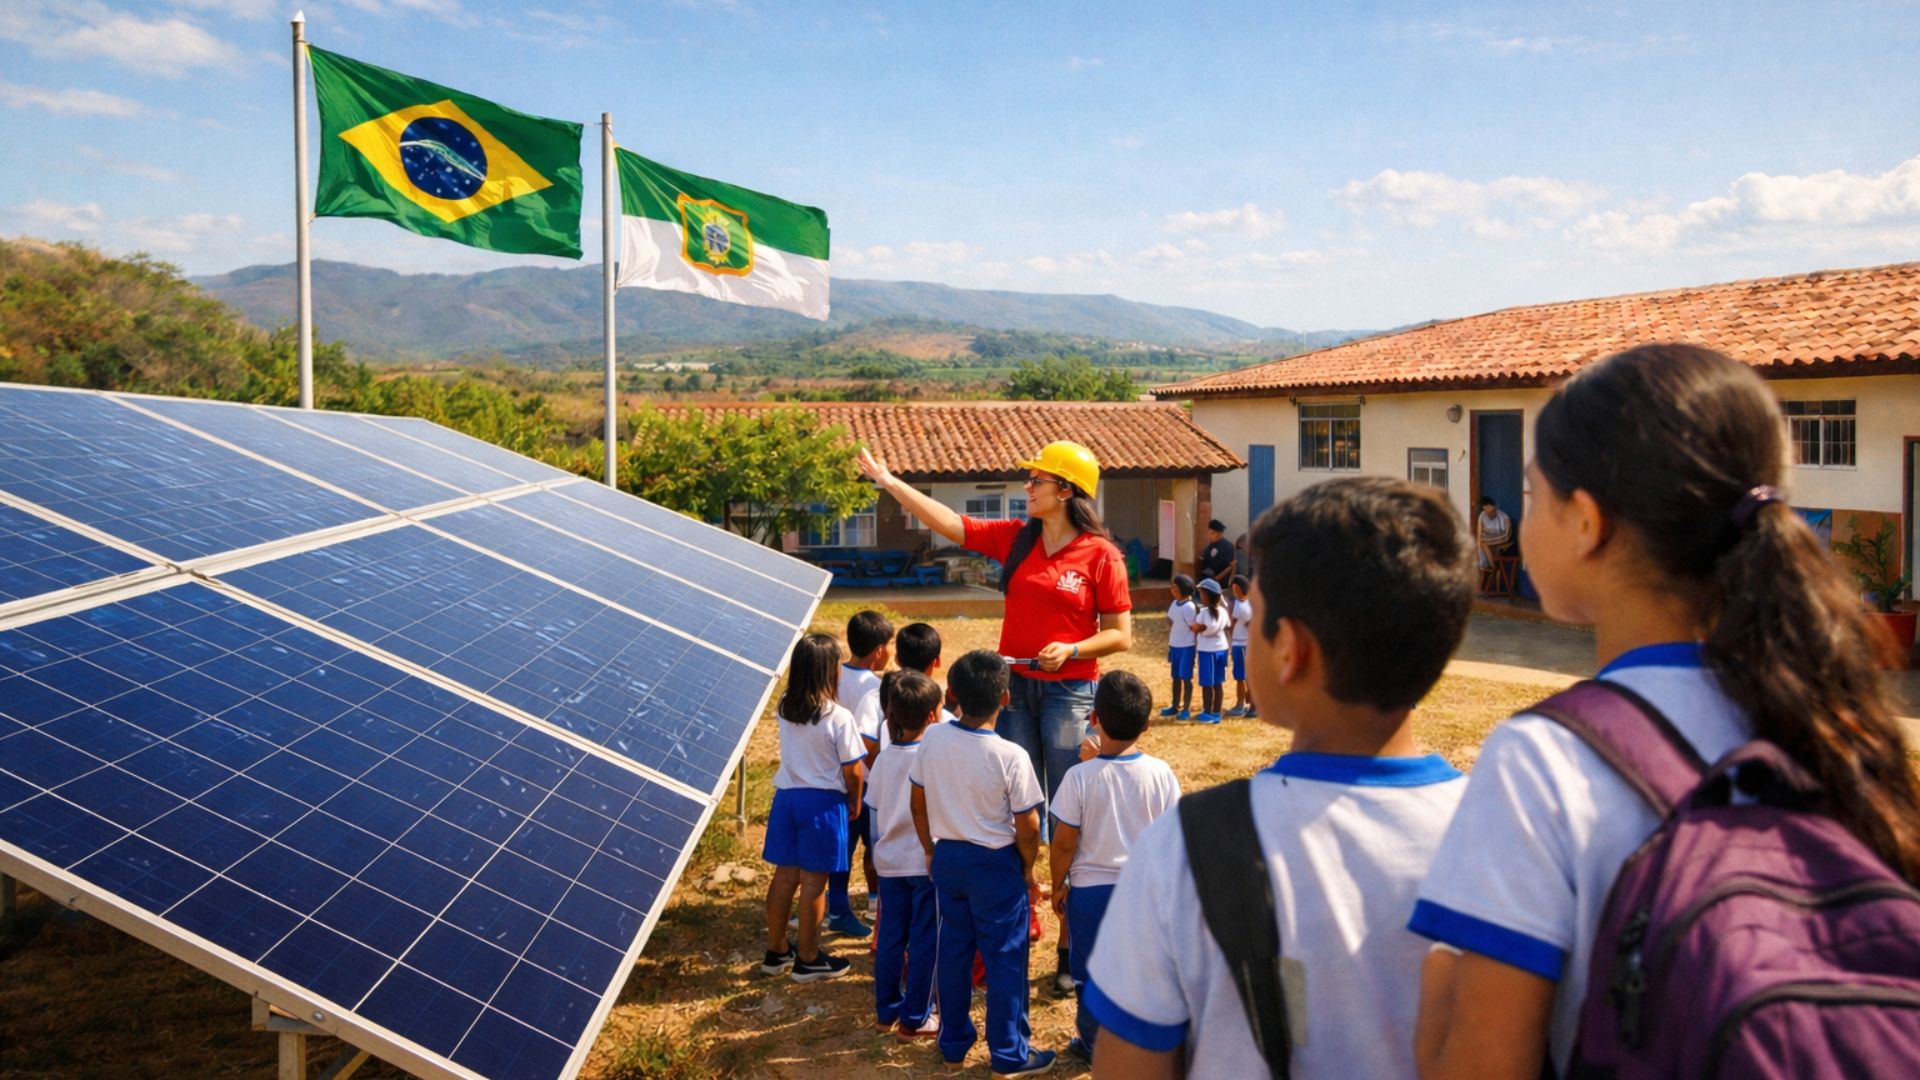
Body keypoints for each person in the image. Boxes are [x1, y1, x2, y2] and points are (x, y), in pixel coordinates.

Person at [1411, 344, 1920, 1079]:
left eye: (1531, 492)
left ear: (1586, 522)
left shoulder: (1548, 760)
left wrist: (1435, 973)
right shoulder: (1834, 723)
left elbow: (1476, 1065)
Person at [1086, 476, 1477, 1078]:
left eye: (1258, 614)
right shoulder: (1496, 834)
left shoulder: (1186, 847)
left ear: (1289, 650)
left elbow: (1129, 1064)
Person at [860, 437, 1133, 993]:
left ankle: (1068, 943)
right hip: (1016, 689)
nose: (1027, 487)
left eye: (1037, 481)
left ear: (1066, 490)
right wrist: (892, 484)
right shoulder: (1017, 539)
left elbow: (1122, 635)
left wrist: (1073, 650)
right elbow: (951, 523)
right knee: (1014, 812)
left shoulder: (1101, 555)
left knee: (1065, 814)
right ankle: (1015, 918)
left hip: (1069, 693)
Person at [910, 650, 1055, 1078]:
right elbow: (1028, 825)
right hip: (995, 863)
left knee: (954, 951)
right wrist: (1028, 868)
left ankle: (953, 1043)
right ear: (1007, 698)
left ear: (951, 694)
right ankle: (1009, 1054)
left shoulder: (933, 738)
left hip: (949, 855)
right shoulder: (1011, 756)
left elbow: (917, 803)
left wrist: (931, 850)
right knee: (1006, 958)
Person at [1050, 670, 1181, 1065]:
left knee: (1090, 979)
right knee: (1143, 973)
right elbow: (1172, 837)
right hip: (1145, 892)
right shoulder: (1161, 773)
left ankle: (1092, 1046)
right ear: (1147, 723)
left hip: (1090, 895)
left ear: (1094, 718)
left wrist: (1059, 884)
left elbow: (1063, 841)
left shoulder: (1078, 777)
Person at [760, 633, 866, 984]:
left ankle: (776, 950)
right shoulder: (838, 717)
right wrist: (855, 799)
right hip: (822, 803)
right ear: (830, 671)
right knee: (814, 884)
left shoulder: (784, 707)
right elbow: (852, 769)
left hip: (787, 797)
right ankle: (809, 959)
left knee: (785, 876)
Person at [867, 670, 945, 1040]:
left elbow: (876, 808)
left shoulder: (883, 759)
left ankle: (886, 1012)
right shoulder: (934, 758)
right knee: (925, 938)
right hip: (924, 862)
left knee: (891, 938)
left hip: (889, 863)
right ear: (933, 715)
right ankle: (916, 1017)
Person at [830, 609, 893, 938]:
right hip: (863, 783)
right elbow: (869, 742)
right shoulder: (875, 688)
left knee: (841, 847)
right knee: (873, 847)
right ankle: (870, 902)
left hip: (831, 776)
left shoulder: (833, 676)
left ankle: (836, 903)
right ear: (880, 650)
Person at [854, 622, 953, 754]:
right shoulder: (944, 714)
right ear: (937, 662)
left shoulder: (873, 698)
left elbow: (864, 750)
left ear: (897, 658)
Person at [1190, 578, 1230, 725]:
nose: (1200, 596)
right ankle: (1216, 712)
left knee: (1207, 683)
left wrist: (1194, 627)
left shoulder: (1204, 613)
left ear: (1207, 596)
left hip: (1207, 651)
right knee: (1218, 683)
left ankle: (1207, 712)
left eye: (1201, 593)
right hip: (1222, 649)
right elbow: (1227, 625)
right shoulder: (1223, 612)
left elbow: (1198, 628)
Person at [1159, 575, 1199, 721]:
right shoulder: (1175, 604)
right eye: (1172, 587)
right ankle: (1175, 705)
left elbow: (1193, 626)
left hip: (1187, 646)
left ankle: (1186, 708)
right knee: (1175, 677)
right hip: (1174, 645)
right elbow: (1171, 620)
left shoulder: (1189, 607)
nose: (1173, 590)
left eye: (1176, 588)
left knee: (1186, 677)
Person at [1226, 574, 1254, 717]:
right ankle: (1253, 703)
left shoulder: (1237, 605)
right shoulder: (1251, 604)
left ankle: (1240, 704)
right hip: (1249, 643)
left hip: (1239, 643)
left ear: (1236, 588)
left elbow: (1230, 624)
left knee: (1240, 677)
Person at [1473, 495, 1512, 571]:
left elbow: (1508, 533)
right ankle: (1486, 565)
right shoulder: (1482, 516)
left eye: (1490, 508)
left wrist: (1487, 537)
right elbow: (1479, 534)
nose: (1488, 511)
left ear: (1493, 506)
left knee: (1482, 542)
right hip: (1491, 540)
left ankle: (1490, 567)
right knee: (1480, 543)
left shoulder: (1503, 516)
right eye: (1485, 509)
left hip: (1503, 538)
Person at [1199, 518, 1236, 588]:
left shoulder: (1227, 547)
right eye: (1209, 533)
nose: (1209, 536)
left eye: (1212, 533)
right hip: (1207, 579)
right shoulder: (1212, 544)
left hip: (1219, 583)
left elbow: (1230, 568)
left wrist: (1214, 581)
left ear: (1219, 534)